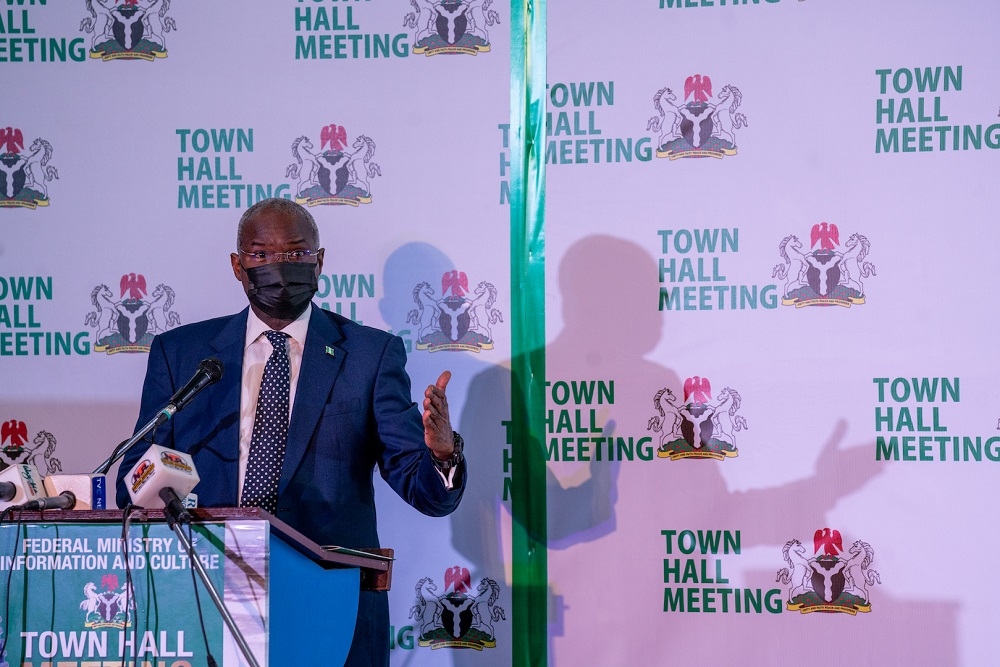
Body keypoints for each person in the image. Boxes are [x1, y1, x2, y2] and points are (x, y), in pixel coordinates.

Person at [114, 198, 466, 666]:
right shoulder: (182, 355)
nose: (279, 266)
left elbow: (424, 490)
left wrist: (441, 456)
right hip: (203, 594)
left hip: (327, 597)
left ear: (320, 261)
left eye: (297, 253)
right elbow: (133, 480)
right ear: (238, 267)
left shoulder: (368, 355)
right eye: (261, 255)